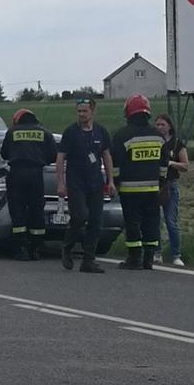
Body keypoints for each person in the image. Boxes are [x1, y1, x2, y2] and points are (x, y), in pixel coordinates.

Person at [55, 98, 114, 273]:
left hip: (96, 182)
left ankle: (89, 260)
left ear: (93, 111)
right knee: (79, 217)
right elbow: (60, 158)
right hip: (76, 183)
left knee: (96, 221)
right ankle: (67, 247)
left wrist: (110, 181)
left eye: (85, 111)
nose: (81, 114)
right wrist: (60, 183)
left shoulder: (101, 132)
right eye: (79, 111)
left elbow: (106, 156)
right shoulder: (71, 132)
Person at [110, 95, 168, 270]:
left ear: (128, 113)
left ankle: (135, 258)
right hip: (152, 189)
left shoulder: (122, 135)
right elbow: (164, 164)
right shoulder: (158, 136)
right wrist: (162, 183)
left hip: (130, 190)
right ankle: (149, 259)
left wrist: (117, 182)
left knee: (132, 223)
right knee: (151, 222)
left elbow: (116, 164)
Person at [0, 109, 56, 261]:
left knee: (17, 211)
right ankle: (36, 249)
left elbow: (4, 154)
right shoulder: (45, 133)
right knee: (36, 210)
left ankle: (20, 249)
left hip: (16, 174)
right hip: (36, 175)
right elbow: (53, 155)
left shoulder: (12, 132)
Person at [155, 114, 189, 268]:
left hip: (170, 184)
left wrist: (169, 163)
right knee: (155, 220)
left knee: (171, 221)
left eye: (162, 124)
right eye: (157, 124)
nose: (159, 127)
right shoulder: (154, 142)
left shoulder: (176, 144)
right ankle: (157, 252)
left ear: (169, 126)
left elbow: (185, 165)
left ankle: (176, 254)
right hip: (155, 184)